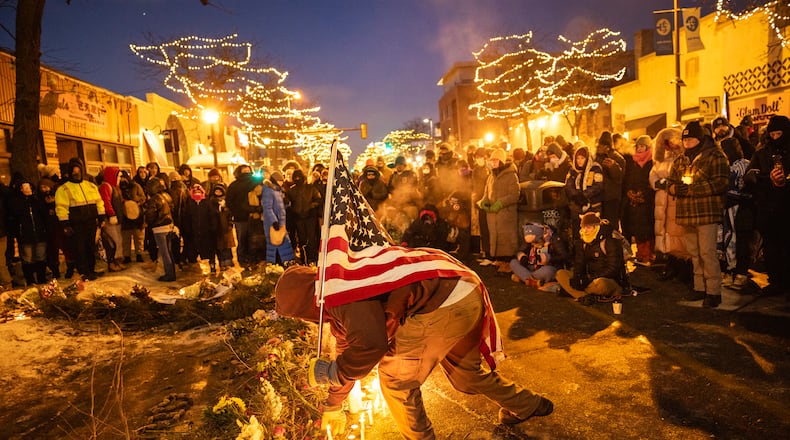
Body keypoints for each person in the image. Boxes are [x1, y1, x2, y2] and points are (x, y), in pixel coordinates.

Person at [274, 264, 554, 439]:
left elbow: (371, 345)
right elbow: (349, 347)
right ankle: (528, 404)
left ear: (303, 307)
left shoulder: (341, 295)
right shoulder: (336, 281)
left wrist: (334, 372)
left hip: (439, 300)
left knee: (397, 381)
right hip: (463, 288)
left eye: (299, 316)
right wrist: (334, 403)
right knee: (466, 376)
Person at [668, 121, 729, 307]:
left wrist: (692, 190)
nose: (686, 143)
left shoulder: (715, 156)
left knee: (707, 252)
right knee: (694, 253)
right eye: (684, 139)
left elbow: (721, 182)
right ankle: (699, 287)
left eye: (690, 139)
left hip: (706, 213)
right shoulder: (680, 160)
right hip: (687, 214)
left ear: (700, 139)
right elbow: (671, 182)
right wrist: (673, 188)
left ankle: (713, 291)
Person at [743, 115, 790, 298]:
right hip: (768, 208)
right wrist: (765, 178)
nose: (776, 137)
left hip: (786, 207)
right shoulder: (761, 153)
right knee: (771, 247)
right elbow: (749, 176)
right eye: (773, 133)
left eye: (780, 133)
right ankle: (776, 280)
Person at [650, 128, 693, 283]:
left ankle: (683, 268)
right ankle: (671, 266)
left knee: (678, 235)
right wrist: (659, 183)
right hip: (663, 201)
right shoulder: (661, 160)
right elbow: (653, 175)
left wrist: (670, 184)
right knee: (665, 234)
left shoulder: (682, 159)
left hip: (675, 200)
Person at [556, 212, 627, 302]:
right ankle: (584, 296)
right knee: (560, 274)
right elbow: (579, 262)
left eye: (588, 227)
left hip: (607, 280)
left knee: (601, 284)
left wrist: (589, 278)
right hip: (589, 280)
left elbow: (613, 268)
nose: (585, 230)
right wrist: (577, 277)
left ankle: (576, 293)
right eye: (583, 227)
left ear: (596, 227)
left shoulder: (609, 241)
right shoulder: (582, 241)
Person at [55, 158, 106, 281]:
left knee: (90, 248)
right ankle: (84, 272)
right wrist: (65, 224)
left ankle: (91, 270)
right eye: (73, 170)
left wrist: (101, 216)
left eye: (78, 169)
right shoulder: (64, 189)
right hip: (76, 224)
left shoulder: (90, 186)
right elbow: (61, 207)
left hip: (91, 222)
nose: (76, 172)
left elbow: (99, 202)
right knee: (80, 249)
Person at [718, 138, 754, 290]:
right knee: (724, 239)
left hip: (741, 209)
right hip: (726, 209)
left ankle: (740, 273)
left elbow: (747, 188)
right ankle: (728, 271)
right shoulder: (724, 166)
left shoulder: (744, 165)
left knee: (740, 241)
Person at [476, 148, 520, 262]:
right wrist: (484, 201)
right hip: (493, 214)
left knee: (506, 239)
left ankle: (507, 261)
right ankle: (498, 259)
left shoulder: (511, 175)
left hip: (505, 214)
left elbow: (514, 195)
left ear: (501, 161)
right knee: (495, 237)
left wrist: (500, 203)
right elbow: (487, 192)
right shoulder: (491, 176)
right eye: (492, 161)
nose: (493, 163)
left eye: (495, 160)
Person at [622, 135, 655, 264]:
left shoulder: (652, 161)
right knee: (637, 228)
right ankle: (640, 254)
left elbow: (652, 181)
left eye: (643, 146)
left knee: (647, 228)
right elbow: (629, 179)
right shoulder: (632, 162)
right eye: (638, 146)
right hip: (634, 201)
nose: (640, 149)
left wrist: (644, 194)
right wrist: (630, 192)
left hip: (647, 201)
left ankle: (648, 254)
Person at [7, 180, 48, 285]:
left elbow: (43, 213)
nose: (27, 189)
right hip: (25, 234)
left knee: (41, 256)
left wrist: (34, 199)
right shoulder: (16, 202)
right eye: (24, 187)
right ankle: (30, 281)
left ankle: (42, 279)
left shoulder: (36, 200)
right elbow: (15, 215)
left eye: (28, 187)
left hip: (39, 233)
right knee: (28, 259)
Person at [510, 223, 569, 288]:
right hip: (530, 267)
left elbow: (564, 256)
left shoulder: (553, 238)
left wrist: (548, 258)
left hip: (546, 268)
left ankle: (523, 278)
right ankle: (531, 281)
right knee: (513, 262)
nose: (534, 244)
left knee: (548, 272)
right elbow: (520, 251)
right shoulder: (529, 240)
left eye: (535, 241)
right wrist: (522, 257)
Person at [565, 145, 604, 241]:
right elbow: (568, 185)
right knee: (577, 233)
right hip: (577, 206)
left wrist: (584, 195)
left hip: (593, 206)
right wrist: (576, 196)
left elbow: (598, 185)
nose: (579, 161)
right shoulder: (573, 171)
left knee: (592, 232)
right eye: (577, 158)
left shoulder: (595, 168)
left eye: (582, 158)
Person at [226, 164, 261, 266]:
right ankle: (242, 259)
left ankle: (253, 258)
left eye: (248, 171)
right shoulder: (234, 185)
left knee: (254, 239)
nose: (246, 173)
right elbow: (229, 202)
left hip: (254, 216)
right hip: (241, 218)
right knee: (242, 239)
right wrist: (237, 211)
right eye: (244, 171)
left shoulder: (255, 182)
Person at [142, 176, 176, 282]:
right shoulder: (166, 196)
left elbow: (150, 215)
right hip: (169, 226)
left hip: (160, 228)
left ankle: (169, 275)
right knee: (169, 252)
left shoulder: (154, 199)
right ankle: (172, 272)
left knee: (165, 252)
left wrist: (148, 221)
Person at [285, 169, 322, 265]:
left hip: (310, 217)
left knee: (311, 238)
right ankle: (304, 258)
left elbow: (318, 200)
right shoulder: (291, 190)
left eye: (299, 177)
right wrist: (294, 210)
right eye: (296, 177)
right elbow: (288, 203)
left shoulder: (311, 188)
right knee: (302, 239)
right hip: (298, 218)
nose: (298, 179)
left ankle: (312, 258)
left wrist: (310, 207)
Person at [261, 171, 295, 266]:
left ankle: (284, 262)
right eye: (280, 181)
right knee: (275, 242)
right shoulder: (268, 190)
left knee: (282, 242)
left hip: (281, 222)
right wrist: (274, 221)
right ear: (275, 181)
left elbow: (279, 207)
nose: (282, 183)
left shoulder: (277, 190)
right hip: (273, 223)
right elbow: (267, 208)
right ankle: (276, 262)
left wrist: (286, 203)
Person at [182, 184, 217, 272]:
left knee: (209, 250)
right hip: (193, 233)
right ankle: (193, 266)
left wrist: (213, 228)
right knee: (193, 250)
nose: (197, 194)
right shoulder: (189, 204)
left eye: (199, 192)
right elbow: (186, 219)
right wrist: (187, 230)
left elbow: (212, 217)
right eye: (195, 192)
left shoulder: (207, 203)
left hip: (206, 233)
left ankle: (212, 265)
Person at [98, 166, 126, 272]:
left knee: (119, 240)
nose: (119, 179)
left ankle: (117, 261)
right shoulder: (106, 187)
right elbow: (105, 202)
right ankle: (112, 262)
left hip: (117, 219)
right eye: (118, 176)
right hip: (111, 219)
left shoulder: (115, 188)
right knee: (113, 241)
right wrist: (111, 214)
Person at [118, 170, 146, 264]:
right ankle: (127, 256)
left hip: (137, 215)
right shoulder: (118, 189)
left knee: (138, 237)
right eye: (120, 177)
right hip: (125, 217)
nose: (122, 179)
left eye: (123, 177)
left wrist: (135, 202)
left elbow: (143, 198)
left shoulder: (135, 186)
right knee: (126, 238)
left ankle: (139, 254)